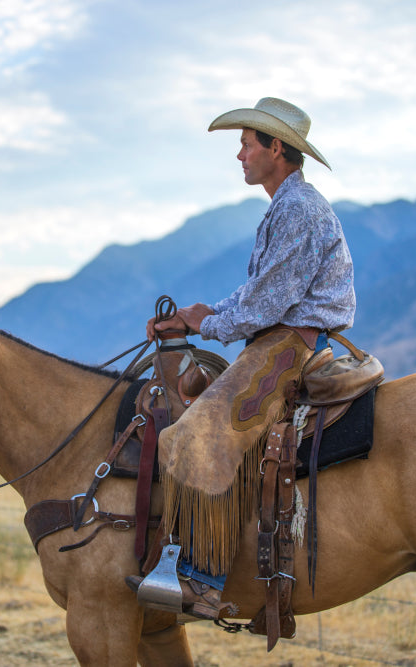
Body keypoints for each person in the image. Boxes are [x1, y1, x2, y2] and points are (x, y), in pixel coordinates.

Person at [130, 97, 355, 620]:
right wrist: (197, 315)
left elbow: (265, 304)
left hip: (289, 343)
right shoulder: (286, 207)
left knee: (198, 430)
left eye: (247, 144)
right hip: (278, 335)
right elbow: (258, 295)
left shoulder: (298, 209)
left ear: (277, 148)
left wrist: (202, 322)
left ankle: (203, 579)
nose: (240, 155)